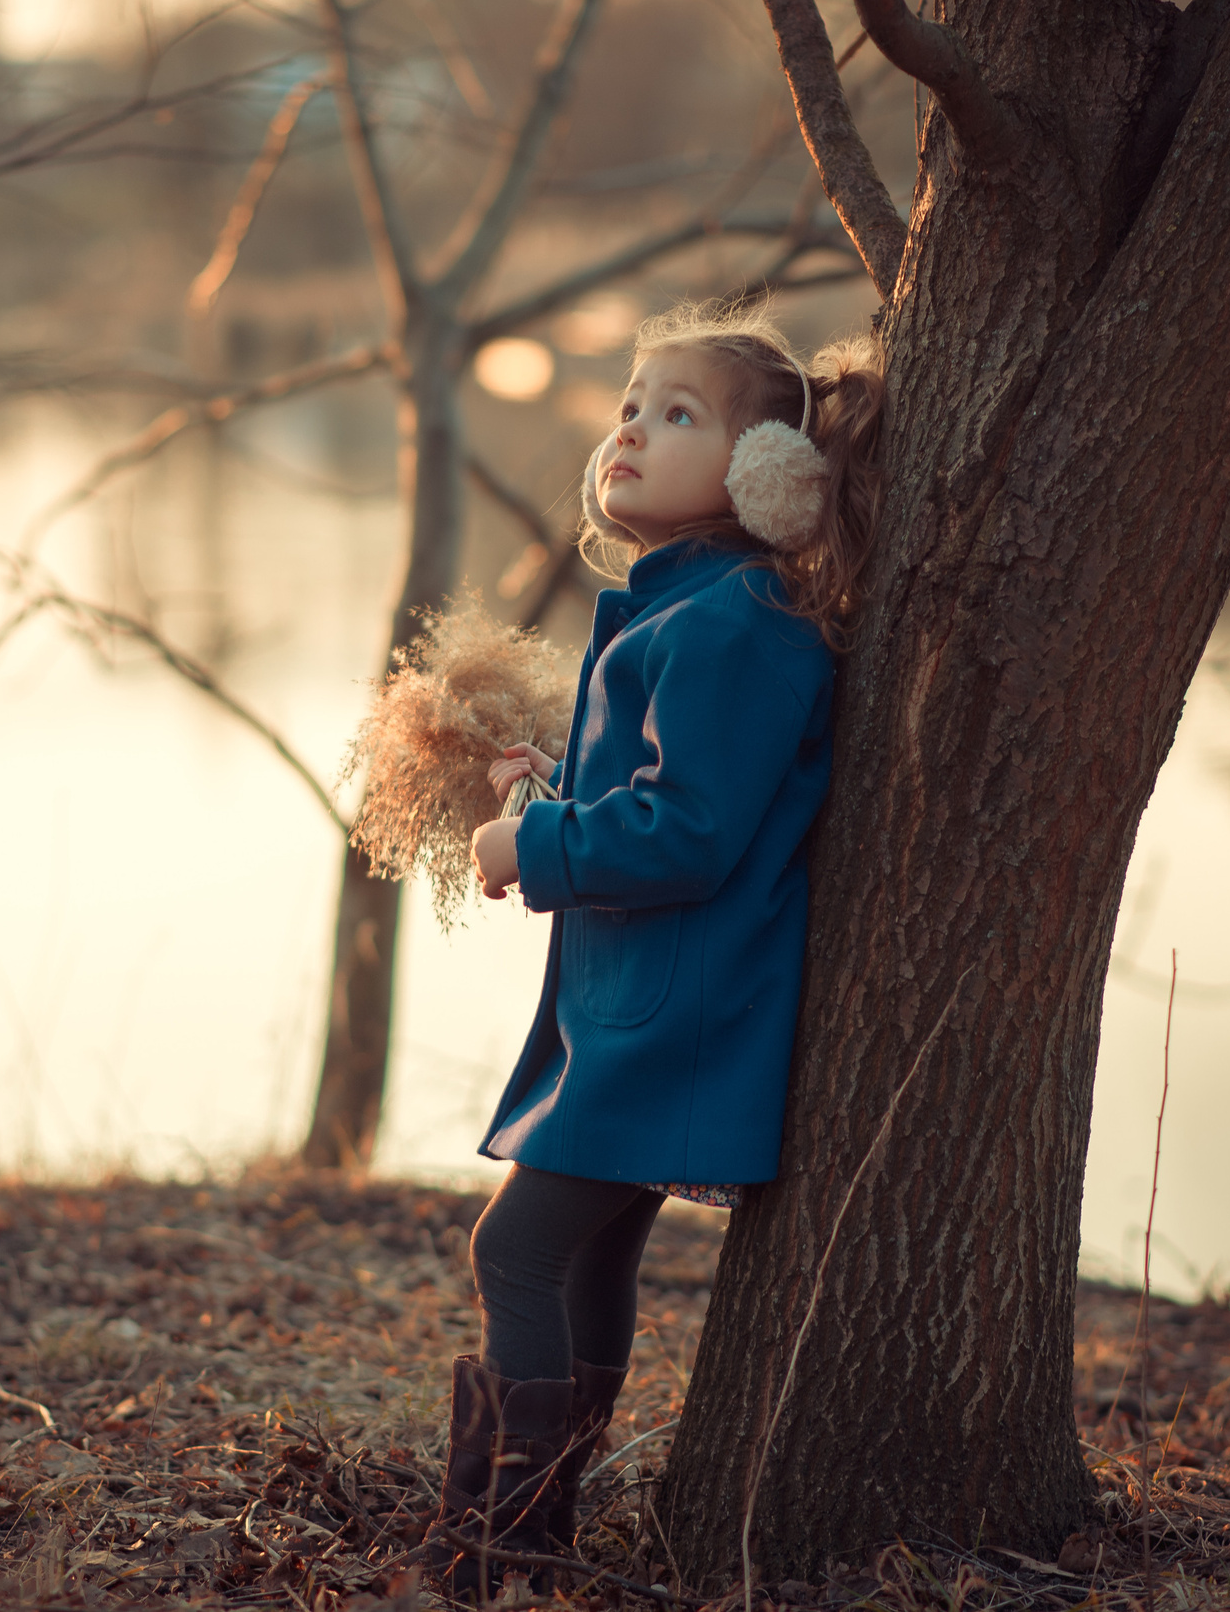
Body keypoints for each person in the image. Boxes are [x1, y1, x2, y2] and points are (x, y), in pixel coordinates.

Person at [430, 301, 887, 1594]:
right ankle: (532, 1523)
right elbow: (653, 787)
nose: (630, 429)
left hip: (669, 1023)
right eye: (630, 405)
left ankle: (505, 1534)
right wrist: (552, 791)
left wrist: (535, 850)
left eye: (676, 413)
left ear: (766, 476)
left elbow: (687, 830)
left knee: (514, 1250)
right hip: (641, 1011)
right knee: (588, 1256)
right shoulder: (684, 608)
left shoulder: (735, 620)